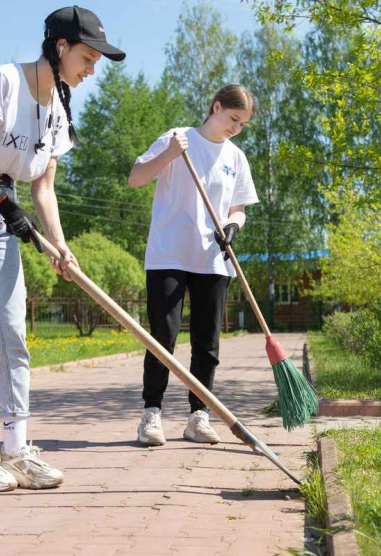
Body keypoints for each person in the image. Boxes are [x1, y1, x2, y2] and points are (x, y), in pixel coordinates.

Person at [0, 6, 125, 492]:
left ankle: (14, 450)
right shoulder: (3, 82)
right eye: (88, 56)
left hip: (4, 209)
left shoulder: (57, 108)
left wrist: (60, 245)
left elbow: (44, 190)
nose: (92, 69)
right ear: (61, 47)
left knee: (13, 334)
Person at [127, 85, 258, 446]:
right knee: (163, 337)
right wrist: (168, 154)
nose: (236, 128)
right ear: (216, 107)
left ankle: (198, 415)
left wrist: (233, 226)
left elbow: (239, 208)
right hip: (169, 254)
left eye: (243, 123)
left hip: (212, 258)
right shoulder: (177, 138)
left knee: (207, 342)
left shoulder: (236, 157)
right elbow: (136, 177)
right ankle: (151, 414)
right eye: (233, 119)